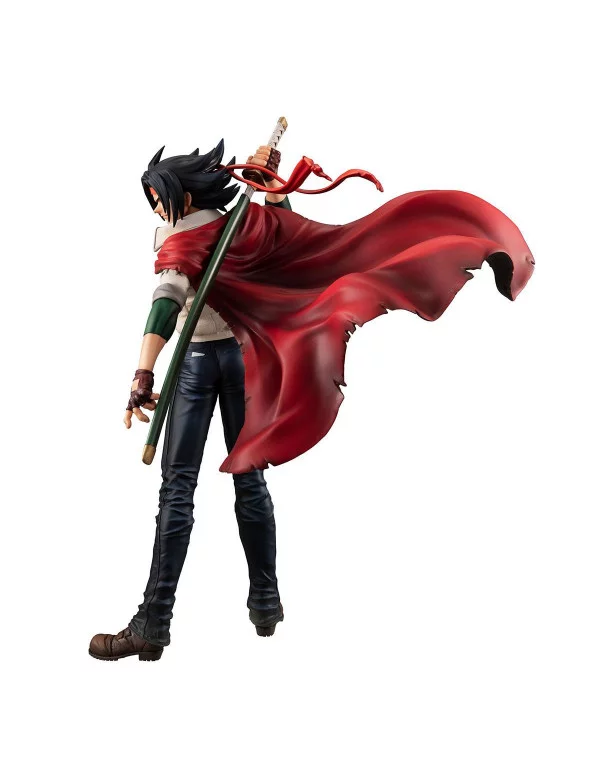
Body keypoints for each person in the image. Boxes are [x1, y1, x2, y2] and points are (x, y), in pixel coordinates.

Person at [89, 141, 289, 662]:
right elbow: (281, 234)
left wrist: (142, 372)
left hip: (201, 362)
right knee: (247, 480)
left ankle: (154, 622)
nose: (156, 207)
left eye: (158, 196)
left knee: (179, 490)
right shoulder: (233, 224)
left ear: (181, 193)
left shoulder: (188, 233)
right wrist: (273, 190)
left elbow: (166, 299)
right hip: (239, 358)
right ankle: (265, 604)